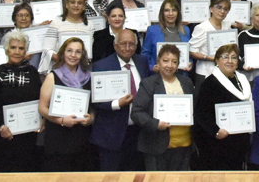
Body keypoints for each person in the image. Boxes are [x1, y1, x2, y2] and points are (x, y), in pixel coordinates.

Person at [90, 30, 150, 171]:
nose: (127, 48)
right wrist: (117, 104)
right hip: (112, 134)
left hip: (138, 132)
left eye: (131, 44)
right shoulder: (101, 66)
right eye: (123, 44)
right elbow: (95, 99)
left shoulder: (142, 62)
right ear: (115, 45)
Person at [0, 30, 41, 172]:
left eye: (21, 48)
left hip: (28, 132)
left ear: (26, 51)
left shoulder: (33, 72)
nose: (17, 51)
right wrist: (1, 127)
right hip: (4, 133)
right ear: (6, 49)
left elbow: (39, 99)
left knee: (27, 169)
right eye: (13, 47)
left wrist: (39, 122)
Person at [132, 44, 194, 170]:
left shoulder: (186, 83)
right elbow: (136, 112)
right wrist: (156, 124)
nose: (169, 65)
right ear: (158, 62)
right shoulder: (148, 84)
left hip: (184, 144)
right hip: (157, 146)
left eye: (174, 62)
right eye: (165, 61)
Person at [38, 38, 95, 171]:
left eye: (78, 52)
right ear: (63, 53)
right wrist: (62, 120)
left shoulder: (88, 77)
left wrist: (91, 118)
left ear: (82, 56)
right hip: (58, 136)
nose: (73, 55)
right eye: (69, 51)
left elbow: (93, 107)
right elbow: (42, 108)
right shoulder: (52, 76)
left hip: (82, 136)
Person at [195, 44, 252, 170]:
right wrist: (215, 130)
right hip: (217, 143)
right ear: (217, 60)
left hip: (238, 142)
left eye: (234, 57)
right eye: (225, 57)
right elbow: (201, 113)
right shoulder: (209, 83)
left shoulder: (242, 80)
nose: (230, 61)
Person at [38, 0, 92, 73]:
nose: (76, 5)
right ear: (67, 5)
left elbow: (88, 51)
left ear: (84, 6)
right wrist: (62, 60)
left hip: (81, 69)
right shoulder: (56, 22)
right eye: (73, 2)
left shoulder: (89, 25)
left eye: (80, 3)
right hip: (58, 68)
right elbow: (47, 48)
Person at [189, 0, 231, 77]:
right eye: (219, 7)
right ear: (211, 9)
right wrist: (208, 57)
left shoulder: (227, 26)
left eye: (225, 9)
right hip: (205, 72)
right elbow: (192, 51)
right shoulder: (202, 27)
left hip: (223, 71)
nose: (222, 11)